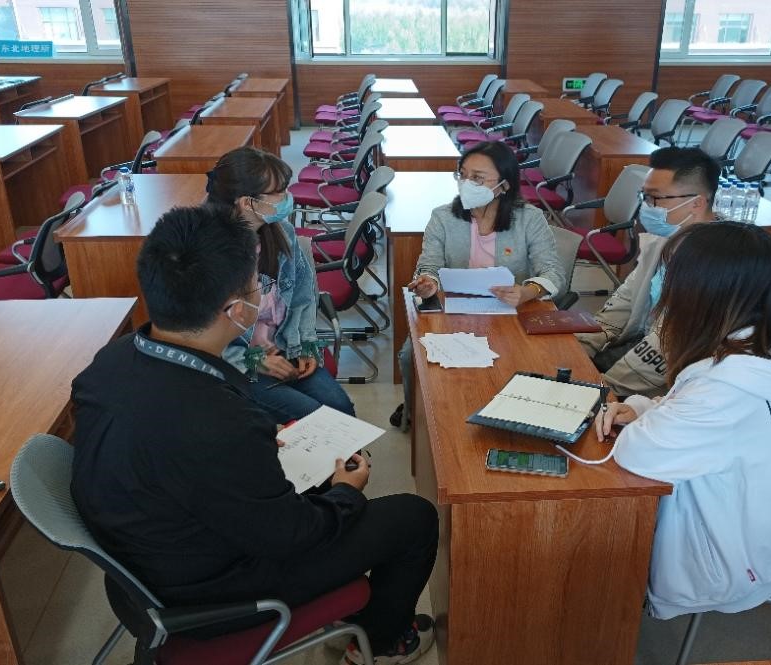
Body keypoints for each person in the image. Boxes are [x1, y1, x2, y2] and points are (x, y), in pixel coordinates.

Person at [71, 205, 438, 665]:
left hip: (144, 560)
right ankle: (381, 643)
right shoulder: (219, 424)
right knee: (413, 518)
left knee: (316, 480)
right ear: (234, 310)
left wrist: (257, 448)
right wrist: (347, 493)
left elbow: (183, 450)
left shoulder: (112, 360)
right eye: (255, 288)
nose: (260, 295)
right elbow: (292, 535)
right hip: (210, 593)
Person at [594, 221, 771, 620]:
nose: (660, 284)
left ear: (699, 290)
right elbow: (709, 416)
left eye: (668, 275)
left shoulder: (726, 389)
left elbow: (637, 454)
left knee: (596, 528)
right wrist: (644, 408)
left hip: (739, 564)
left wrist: (644, 416)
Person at [391, 141, 566, 429]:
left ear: (504, 185)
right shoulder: (443, 217)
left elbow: (553, 271)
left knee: (527, 358)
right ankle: (417, 415)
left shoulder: (529, 219)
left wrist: (528, 291)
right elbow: (428, 264)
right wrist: (429, 282)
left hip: (508, 313)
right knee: (411, 355)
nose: (466, 183)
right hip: (453, 312)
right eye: (462, 175)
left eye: (478, 178)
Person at [206, 146, 355, 421]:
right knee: (318, 418)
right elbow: (203, 336)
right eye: (279, 192)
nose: (287, 197)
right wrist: (255, 361)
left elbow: (303, 296)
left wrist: (306, 345)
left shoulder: (281, 232)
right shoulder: (208, 252)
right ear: (247, 202)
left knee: (341, 409)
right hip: (237, 364)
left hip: (285, 347)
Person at [576, 147, 721, 399]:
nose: (646, 207)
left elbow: (668, 346)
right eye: (643, 196)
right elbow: (622, 303)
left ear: (696, 203)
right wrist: (580, 348)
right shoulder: (662, 240)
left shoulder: (719, 264)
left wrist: (600, 387)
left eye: (655, 198)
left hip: (669, 380)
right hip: (635, 349)